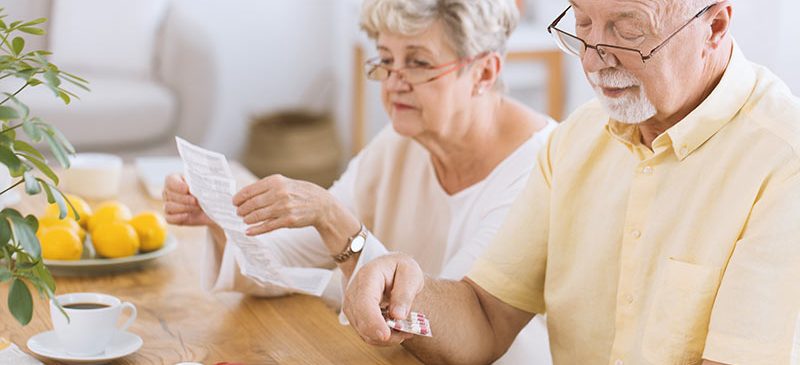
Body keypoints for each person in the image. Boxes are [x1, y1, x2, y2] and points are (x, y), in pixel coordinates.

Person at [343, 0, 800, 364]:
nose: (594, 59)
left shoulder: (783, 163)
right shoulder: (574, 141)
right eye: (582, 23)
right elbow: (484, 317)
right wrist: (402, 289)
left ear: (715, 26)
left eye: (627, 28)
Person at [163, 0, 556, 363]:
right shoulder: (402, 140)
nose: (393, 82)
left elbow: (462, 333)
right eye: (386, 60)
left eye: (418, 62)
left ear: (484, 72)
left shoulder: (539, 165)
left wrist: (334, 220)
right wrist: (222, 217)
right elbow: (293, 260)